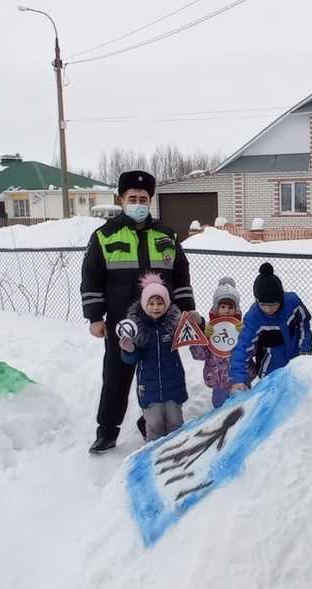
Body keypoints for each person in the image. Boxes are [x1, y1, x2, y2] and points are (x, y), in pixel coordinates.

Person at [80, 170, 194, 455]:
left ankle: (151, 422)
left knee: (160, 374)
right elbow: (91, 277)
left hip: (162, 325)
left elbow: (181, 278)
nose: (138, 202)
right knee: (116, 378)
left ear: (151, 199)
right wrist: (95, 317)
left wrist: (187, 312)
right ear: (121, 199)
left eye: (144, 198)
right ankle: (107, 432)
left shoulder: (167, 236)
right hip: (123, 325)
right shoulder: (104, 236)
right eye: (132, 198)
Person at [119, 274, 187, 441]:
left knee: (175, 423)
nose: (155, 307)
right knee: (154, 424)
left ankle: (176, 454)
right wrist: (129, 350)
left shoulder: (174, 325)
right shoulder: (137, 328)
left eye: (160, 303)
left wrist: (197, 322)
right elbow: (132, 359)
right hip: (149, 387)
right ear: (144, 304)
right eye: (151, 303)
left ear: (167, 303)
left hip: (173, 383)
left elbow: (194, 339)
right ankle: (154, 455)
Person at [229, 263, 312, 392]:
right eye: (263, 305)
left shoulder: (293, 303)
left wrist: (304, 351)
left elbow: (304, 326)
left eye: (273, 304)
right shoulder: (254, 317)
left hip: (296, 363)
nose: (268, 309)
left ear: (281, 297)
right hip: (270, 370)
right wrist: (238, 379)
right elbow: (242, 348)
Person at [189, 277, 242, 409]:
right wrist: (203, 337)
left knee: (242, 410)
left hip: (239, 380)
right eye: (222, 306)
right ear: (216, 308)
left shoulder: (241, 328)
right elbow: (199, 355)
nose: (227, 310)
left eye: (231, 307)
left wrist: (245, 335)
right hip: (218, 382)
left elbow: (250, 351)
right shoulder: (209, 329)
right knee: (220, 410)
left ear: (236, 308)